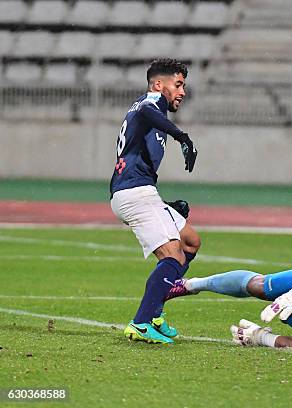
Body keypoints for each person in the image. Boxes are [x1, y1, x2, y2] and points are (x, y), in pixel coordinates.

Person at [110, 58, 200, 345]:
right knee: (173, 257)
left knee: (189, 242)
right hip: (135, 193)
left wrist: (167, 205)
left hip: (140, 190)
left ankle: (157, 313)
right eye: (178, 84)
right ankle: (141, 322)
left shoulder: (149, 111)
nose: (182, 91)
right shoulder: (150, 103)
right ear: (159, 84)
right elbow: (150, 110)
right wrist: (181, 136)